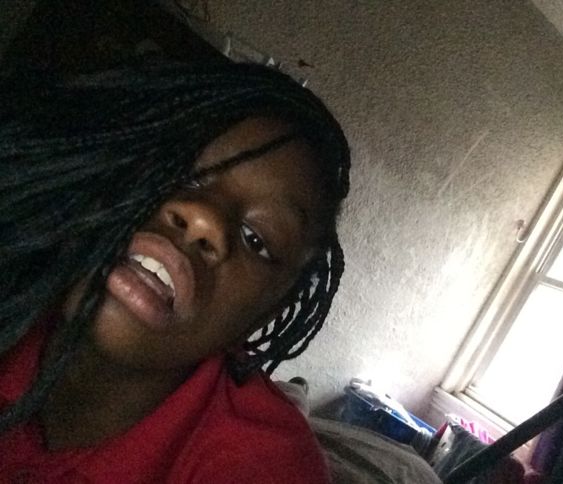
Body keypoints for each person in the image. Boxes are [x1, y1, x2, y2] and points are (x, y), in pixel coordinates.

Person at [0, 61, 350, 482]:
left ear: (262, 316)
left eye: (256, 239)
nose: (203, 220)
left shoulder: (267, 468)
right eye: (185, 171)